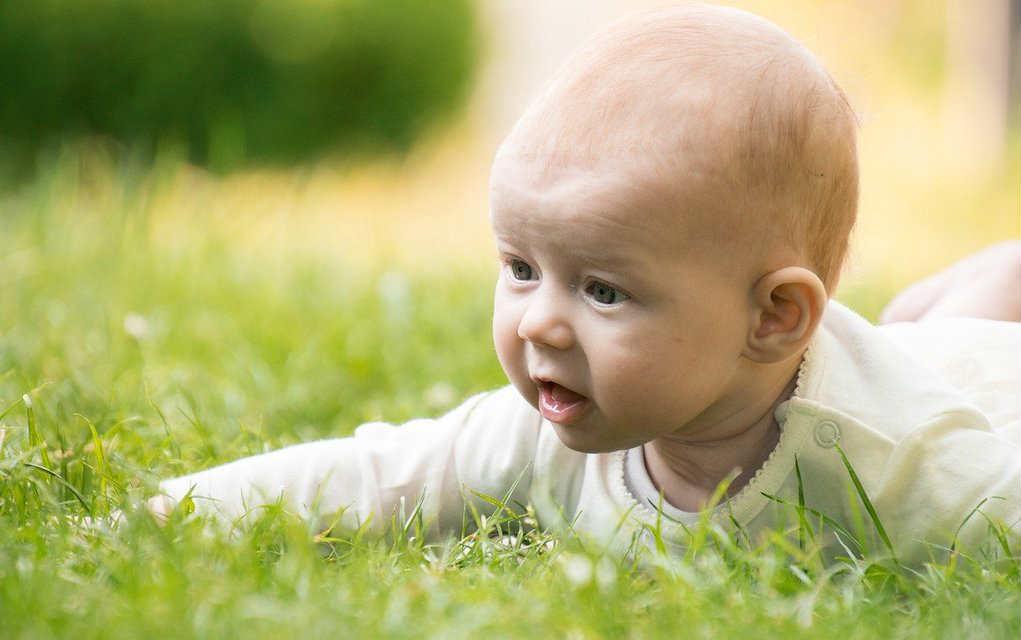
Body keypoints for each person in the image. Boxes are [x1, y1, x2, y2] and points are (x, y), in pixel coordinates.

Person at [149, 5, 1020, 564]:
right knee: (919, 326)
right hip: (911, 353)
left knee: (965, 331)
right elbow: (384, 474)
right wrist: (173, 512)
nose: (541, 327)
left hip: (981, 382)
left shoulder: (912, 469)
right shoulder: (542, 425)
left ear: (772, 318)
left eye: (602, 291)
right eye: (521, 270)